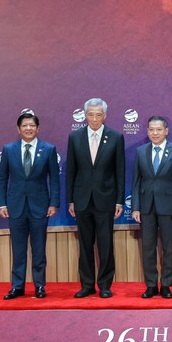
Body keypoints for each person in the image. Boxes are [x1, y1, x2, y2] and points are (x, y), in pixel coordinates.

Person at [0, 113, 60, 300]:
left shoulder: (48, 149)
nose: (28, 128)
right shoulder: (9, 149)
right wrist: (2, 204)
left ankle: (40, 286)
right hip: (15, 207)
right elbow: (2, 179)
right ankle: (17, 287)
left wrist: (53, 203)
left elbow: (54, 180)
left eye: (32, 125)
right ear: (18, 129)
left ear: (38, 128)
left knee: (39, 250)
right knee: (18, 250)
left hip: (40, 207)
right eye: (24, 125)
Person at [66, 98, 125, 298]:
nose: (94, 118)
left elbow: (120, 171)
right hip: (82, 199)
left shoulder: (115, 137)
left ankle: (105, 285)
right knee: (85, 244)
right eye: (90, 114)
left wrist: (119, 200)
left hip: (106, 199)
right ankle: (87, 285)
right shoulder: (75, 137)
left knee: (105, 244)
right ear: (85, 115)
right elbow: (71, 171)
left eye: (98, 115)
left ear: (105, 116)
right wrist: (71, 200)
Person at [131, 116, 172, 299]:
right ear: (147, 131)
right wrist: (135, 208)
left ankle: (166, 285)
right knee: (148, 247)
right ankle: (151, 285)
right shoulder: (141, 152)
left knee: (169, 248)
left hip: (170, 208)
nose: (155, 133)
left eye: (158, 129)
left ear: (166, 131)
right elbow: (136, 182)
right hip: (146, 208)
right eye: (151, 129)